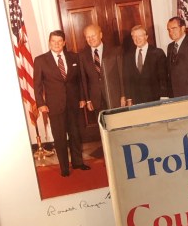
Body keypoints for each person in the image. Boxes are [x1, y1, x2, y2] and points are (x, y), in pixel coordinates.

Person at [33, 30, 88, 176]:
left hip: (74, 103)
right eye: (53, 41)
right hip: (54, 105)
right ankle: (64, 168)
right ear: (49, 42)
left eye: (59, 41)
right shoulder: (40, 60)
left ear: (64, 43)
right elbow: (37, 85)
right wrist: (40, 103)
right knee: (60, 137)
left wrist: (82, 98)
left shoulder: (74, 57)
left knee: (75, 134)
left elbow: (80, 80)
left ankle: (78, 162)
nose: (56, 44)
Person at [80, 23, 124, 113]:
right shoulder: (83, 55)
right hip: (96, 100)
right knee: (101, 122)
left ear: (100, 35)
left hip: (115, 97)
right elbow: (84, 79)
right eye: (88, 37)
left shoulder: (115, 51)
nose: (91, 39)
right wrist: (88, 100)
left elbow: (122, 75)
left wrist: (123, 95)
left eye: (93, 35)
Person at [122, 25, 169, 105]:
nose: (137, 39)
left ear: (146, 37)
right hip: (137, 100)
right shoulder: (128, 55)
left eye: (140, 36)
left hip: (156, 98)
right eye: (134, 36)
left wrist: (164, 96)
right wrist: (129, 99)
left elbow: (163, 77)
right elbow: (127, 79)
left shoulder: (157, 53)